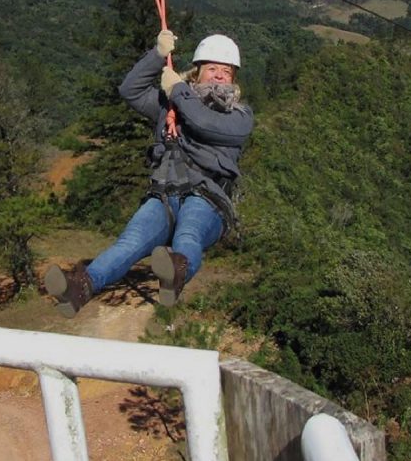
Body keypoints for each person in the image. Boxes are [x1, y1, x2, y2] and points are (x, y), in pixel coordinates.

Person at [45, 30, 254, 318]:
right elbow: (130, 90)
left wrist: (178, 91)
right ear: (197, 72)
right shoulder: (169, 104)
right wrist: (156, 55)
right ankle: (80, 287)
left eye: (226, 71)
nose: (219, 76)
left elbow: (204, 123)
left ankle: (174, 273)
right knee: (130, 242)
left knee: (189, 234)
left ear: (233, 78)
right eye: (212, 69)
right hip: (165, 194)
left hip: (207, 199)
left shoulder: (239, 116)